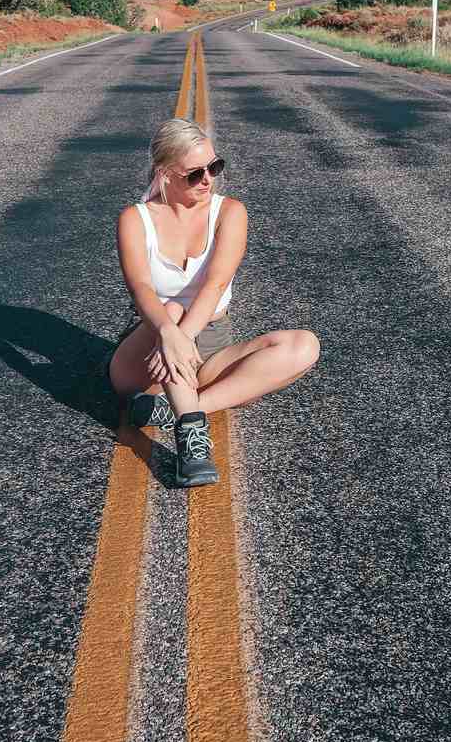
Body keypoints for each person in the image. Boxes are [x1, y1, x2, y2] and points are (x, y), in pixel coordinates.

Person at [108, 116, 320, 488]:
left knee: (305, 346)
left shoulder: (230, 213)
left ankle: (180, 408)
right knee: (170, 310)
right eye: (194, 173)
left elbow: (215, 283)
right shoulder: (135, 218)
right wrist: (170, 334)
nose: (208, 179)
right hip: (145, 355)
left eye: (214, 167)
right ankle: (192, 440)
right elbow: (141, 288)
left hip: (208, 342)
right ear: (164, 173)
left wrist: (184, 337)